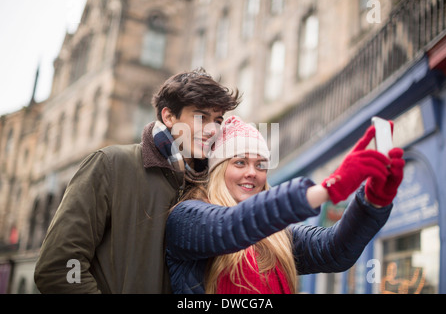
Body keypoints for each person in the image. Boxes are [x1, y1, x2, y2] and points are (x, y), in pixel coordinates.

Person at [34, 68, 241, 293]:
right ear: (169, 116)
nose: (213, 129)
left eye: (218, 120)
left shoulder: (214, 186)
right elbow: (61, 265)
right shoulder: (110, 165)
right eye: (201, 117)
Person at [165, 116, 405, 294]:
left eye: (260, 165)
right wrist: (327, 188)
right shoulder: (186, 217)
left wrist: (374, 200)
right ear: (218, 169)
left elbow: (335, 250)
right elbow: (231, 225)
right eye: (239, 162)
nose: (252, 173)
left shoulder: (278, 236)